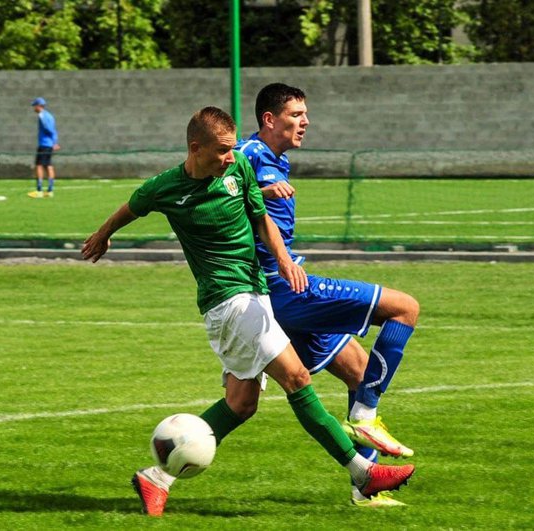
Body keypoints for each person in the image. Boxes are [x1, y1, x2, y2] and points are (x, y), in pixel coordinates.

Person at [82, 106, 414, 517]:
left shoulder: (237, 167)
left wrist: (284, 260)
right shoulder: (165, 187)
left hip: (255, 296)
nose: (229, 155)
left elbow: (261, 219)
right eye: (221, 150)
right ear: (195, 148)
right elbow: (130, 207)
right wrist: (102, 236)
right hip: (229, 301)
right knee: (297, 377)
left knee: (241, 404)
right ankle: (364, 474)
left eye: (230, 148)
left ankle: (157, 478)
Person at [236, 84, 420, 507]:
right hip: (284, 288)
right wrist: (258, 194)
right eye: (296, 114)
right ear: (269, 119)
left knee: (355, 370)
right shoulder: (247, 155)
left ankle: (367, 489)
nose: (306, 121)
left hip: (281, 295)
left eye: (305, 114)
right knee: (405, 307)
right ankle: (365, 417)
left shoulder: (276, 161)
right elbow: (210, 194)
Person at [28, 97, 60, 198]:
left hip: (44, 144)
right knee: (48, 165)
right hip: (49, 145)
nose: (34, 108)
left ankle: (39, 190)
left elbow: (49, 129)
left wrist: (54, 142)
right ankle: (50, 190)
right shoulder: (50, 115)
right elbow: (54, 129)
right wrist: (54, 142)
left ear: (39, 106)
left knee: (39, 165)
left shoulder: (42, 116)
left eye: (35, 106)